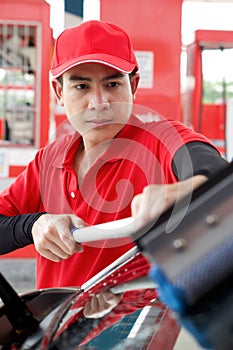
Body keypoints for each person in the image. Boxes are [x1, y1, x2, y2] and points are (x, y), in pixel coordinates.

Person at [0, 20, 228, 294]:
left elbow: (217, 174)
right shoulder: (48, 160)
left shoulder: (162, 140)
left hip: (134, 333)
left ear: (133, 86)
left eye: (112, 84)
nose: (99, 103)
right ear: (60, 92)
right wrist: (33, 224)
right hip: (55, 330)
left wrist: (183, 191)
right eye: (82, 87)